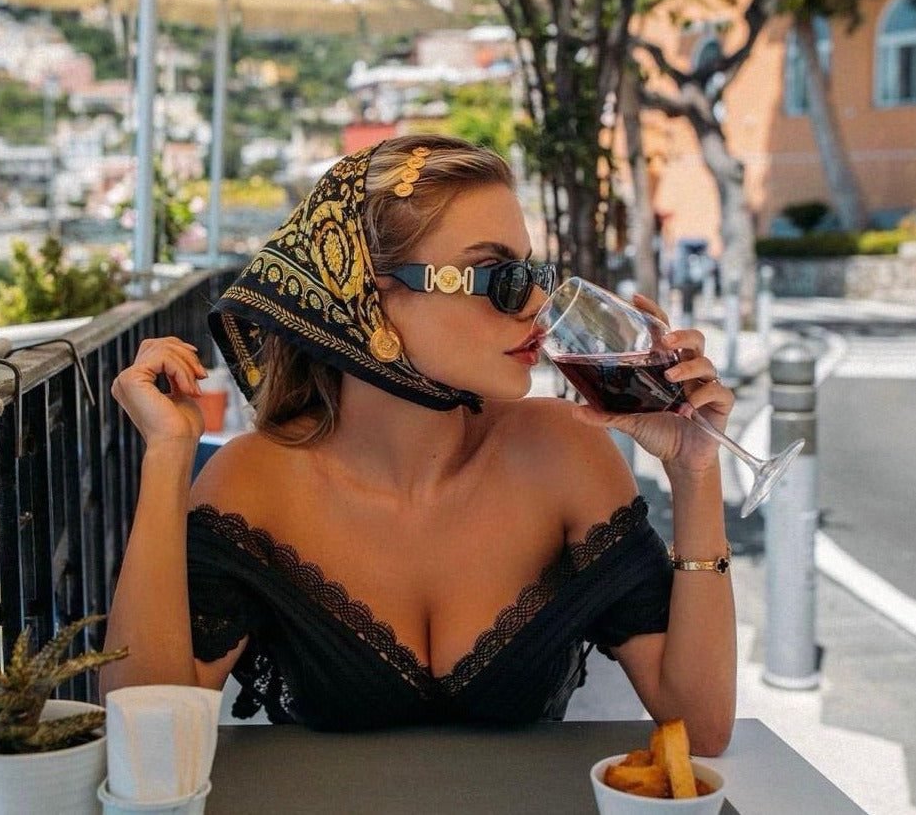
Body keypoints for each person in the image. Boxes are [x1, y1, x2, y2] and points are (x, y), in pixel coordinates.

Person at [100, 135, 735, 755]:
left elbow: (700, 728)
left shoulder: (565, 454)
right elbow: (148, 739)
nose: (538, 304)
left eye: (533, 273)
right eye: (500, 276)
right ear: (365, 293)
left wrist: (694, 472)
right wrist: (167, 456)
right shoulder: (254, 485)